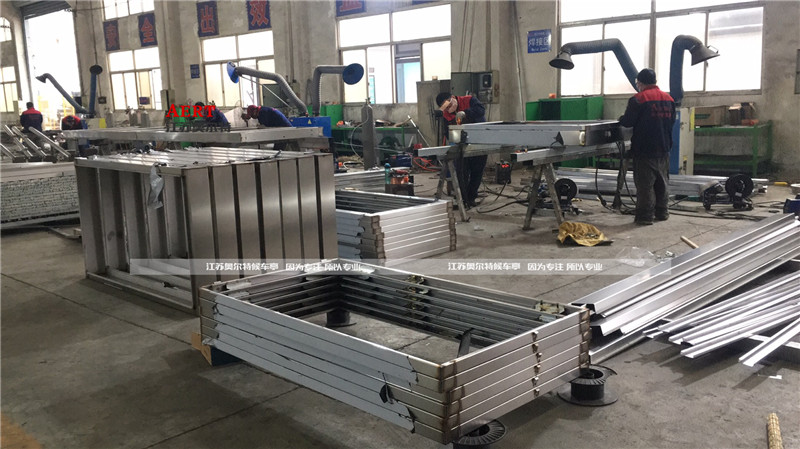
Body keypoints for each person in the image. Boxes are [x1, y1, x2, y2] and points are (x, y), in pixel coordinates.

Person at [618, 68, 676, 226]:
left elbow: (628, 122)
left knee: (645, 185)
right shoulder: (669, 99)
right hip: (664, 147)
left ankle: (645, 216)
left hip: (644, 148)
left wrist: (620, 119)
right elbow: (671, 122)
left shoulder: (638, 99)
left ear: (640, 83)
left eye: (638, 84)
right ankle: (662, 212)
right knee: (662, 182)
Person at [435, 92, 487, 208]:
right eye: (446, 108)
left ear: (453, 98)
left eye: (449, 105)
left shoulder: (469, 100)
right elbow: (447, 132)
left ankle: (471, 198)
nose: (448, 109)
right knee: (461, 173)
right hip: (462, 147)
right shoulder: (446, 115)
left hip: (480, 142)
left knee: (477, 172)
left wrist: (465, 113)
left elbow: (481, 110)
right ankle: (463, 199)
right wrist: (455, 139)